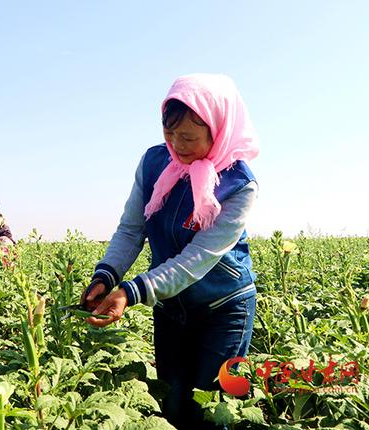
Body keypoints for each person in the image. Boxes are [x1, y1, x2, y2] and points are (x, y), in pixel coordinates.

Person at [81, 73, 259, 429]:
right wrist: (107, 275)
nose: (176, 145)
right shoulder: (153, 164)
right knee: (172, 406)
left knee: (211, 412)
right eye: (169, 133)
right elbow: (132, 230)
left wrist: (131, 293)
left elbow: (197, 259)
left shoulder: (239, 184)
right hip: (171, 308)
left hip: (223, 311)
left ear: (218, 130)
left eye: (189, 137)